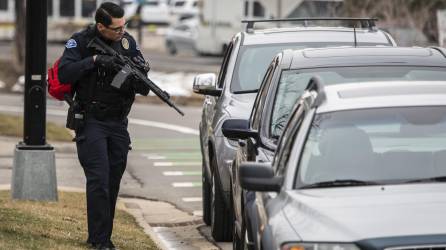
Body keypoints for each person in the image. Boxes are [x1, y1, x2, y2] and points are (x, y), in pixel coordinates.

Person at [58, 2, 147, 249]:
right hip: (91, 120)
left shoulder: (127, 43)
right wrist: (95, 60)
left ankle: (99, 235)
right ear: (100, 26)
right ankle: (101, 241)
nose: (121, 32)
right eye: (116, 28)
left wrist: (138, 76)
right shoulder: (81, 42)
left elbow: (143, 80)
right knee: (98, 178)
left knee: (112, 180)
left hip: (118, 123)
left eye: (124, 26)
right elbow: (65, 73)